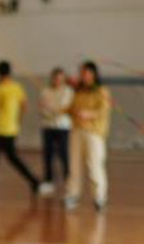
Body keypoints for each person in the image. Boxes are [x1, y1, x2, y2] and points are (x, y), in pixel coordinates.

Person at [0, 61, 53, 200]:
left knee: (2, 159)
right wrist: (16, 120)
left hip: (1, 130)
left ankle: (33, 182)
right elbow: (24, 106)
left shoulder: (0, 88)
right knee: (0, 159)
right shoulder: (17, 87)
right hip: (12, 129)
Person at [65, 61, 112, 211]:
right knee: (74, 165)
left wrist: (89, 114)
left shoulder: (101, 91)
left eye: (85, 72)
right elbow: (70, 108)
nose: (82, 75)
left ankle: (99, 197)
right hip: (77, 131)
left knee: (94, 166)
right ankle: (72, 194)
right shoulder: (78, 91)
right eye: (81, 72)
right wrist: (56, 108)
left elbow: (104, 111)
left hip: (94, 133)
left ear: (93, 74)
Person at [39, 67, 73, 188]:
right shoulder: (45, 91)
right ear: (52, 78)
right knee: (48, 154)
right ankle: (48, 180)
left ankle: (68, 179)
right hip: (48, 126)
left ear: (63, 79)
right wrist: (49, 111)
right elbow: (42, 109)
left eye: (60, 78)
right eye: (55, 78)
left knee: (63, 153)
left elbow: (65, 108)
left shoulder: (68, 91)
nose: (57, 80)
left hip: (63, 127)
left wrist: (54, 109)